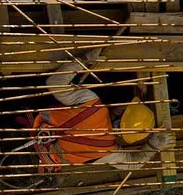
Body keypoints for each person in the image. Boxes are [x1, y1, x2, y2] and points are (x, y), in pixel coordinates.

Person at [31, 62, 173, 175]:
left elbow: (54, 82)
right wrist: (153, 146)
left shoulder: (92, 104)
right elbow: (133, 163)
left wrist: (84, 60)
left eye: (125, 108)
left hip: (25, 127)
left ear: (119, 114)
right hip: (40, 160)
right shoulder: (107, 151)